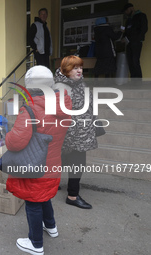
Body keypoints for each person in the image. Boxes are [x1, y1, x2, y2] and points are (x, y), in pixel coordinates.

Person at [6, 65, 72, 255]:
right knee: (44, 196)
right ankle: (51, 227)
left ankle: (36, 244)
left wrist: (8, 136)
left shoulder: (31, 109)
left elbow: (16, 143)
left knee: (33, 200)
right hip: (52, 162)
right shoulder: (63, 104)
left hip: (35, 165)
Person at [54, 55, 98, 210]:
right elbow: (58, 112)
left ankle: (54, 185)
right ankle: (72, 196)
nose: (79, 70)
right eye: (75, 68)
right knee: (76, 162)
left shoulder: (80, 83)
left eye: (80, 67)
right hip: (70, 132)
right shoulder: (61, 87)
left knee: (65, 160)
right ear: (66, 70)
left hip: (82, 130)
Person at [122, 3, 148, 79]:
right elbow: (126, 31)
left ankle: (139, 83)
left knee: (135, 61)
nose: (126, 13)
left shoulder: (141, 16)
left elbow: (144, 29)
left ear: (131, 9)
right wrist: (124, 38)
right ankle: (133, 82)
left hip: (136, 42)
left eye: (126, 11)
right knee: (130, 63)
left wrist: (137, 39)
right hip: (128, 43)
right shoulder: (128, 20)